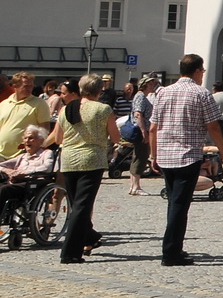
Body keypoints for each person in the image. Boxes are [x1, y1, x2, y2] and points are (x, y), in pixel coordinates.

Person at [150, 54, 223, 266]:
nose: (202, 75)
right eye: (202, 71)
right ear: (196, 71)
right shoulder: (201, 93)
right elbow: (213, 126)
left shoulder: (163, 92)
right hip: (187, 155)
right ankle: (171, 252)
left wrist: (153, 154)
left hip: (165, 155)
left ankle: (174, 247)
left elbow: (153, 127)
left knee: (174, 202)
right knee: (180, 204)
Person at [46, 76, 122, 264]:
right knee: (82, 206)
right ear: (99, 91)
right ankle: (70, 252)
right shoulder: (103, 109)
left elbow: (57, 139)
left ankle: (90, 237)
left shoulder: (67, 109)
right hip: (92, 160)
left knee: (76, 204)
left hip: (69, 160)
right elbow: (115, 136)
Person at [0, 72, 51, 159]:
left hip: (23, 155)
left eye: (31, 86)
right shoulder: (4, 104)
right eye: (26, 86)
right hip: (1, 154)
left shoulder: (39, 103)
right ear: (15, 86)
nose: (29, 89)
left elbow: (44, 130)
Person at [125, 74, 160, 195]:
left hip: (141, 130)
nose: (152, 86)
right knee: (141, 157)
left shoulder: (141, 96)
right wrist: (143, 131)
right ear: (144, 85)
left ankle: (133, 186)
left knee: (137, 156)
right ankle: (136, 187)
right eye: (150, 84)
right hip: (141, 131)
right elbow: (138, 114)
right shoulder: (140, 96)